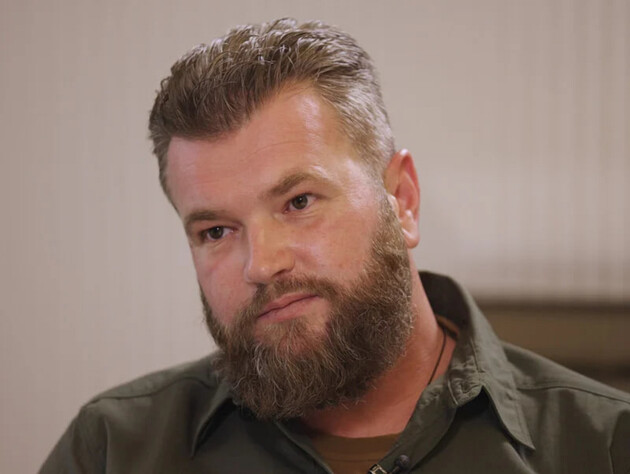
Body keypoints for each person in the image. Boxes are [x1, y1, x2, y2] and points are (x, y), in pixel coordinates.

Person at [41, 18, 629, 474]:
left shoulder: (604, 446)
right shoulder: (114, 449)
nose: (262, 264)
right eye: (216, 231)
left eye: (299, 202)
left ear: (402, 200)